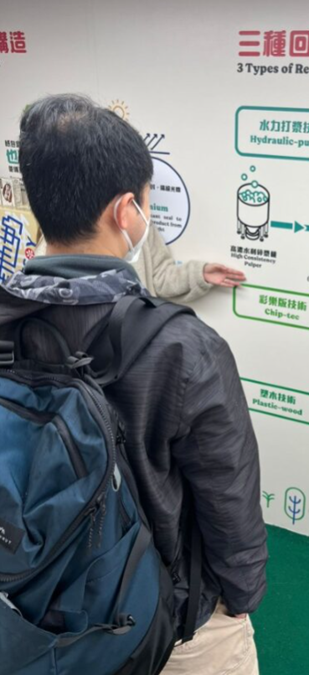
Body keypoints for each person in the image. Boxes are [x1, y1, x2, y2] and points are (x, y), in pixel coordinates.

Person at [0, 94, 268, 674]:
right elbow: (230, 500)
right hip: (168, 619)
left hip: (36, 606)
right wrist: (239, 600)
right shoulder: (186, 349)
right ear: (126, 211)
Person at [35, 220, 246, 303]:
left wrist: (198, 274)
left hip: (135, 339)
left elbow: (160, 276)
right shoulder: (61, 231)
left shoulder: (139, 225)